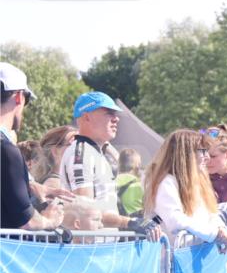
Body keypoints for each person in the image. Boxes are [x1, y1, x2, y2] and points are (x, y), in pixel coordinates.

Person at [0, 62, 65, 231]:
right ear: (19, 97)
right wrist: (50, 220)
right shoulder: (6, 150)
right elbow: (27, 221)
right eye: (26, 101)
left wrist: (29, 183)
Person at [143, 129, 227, 251]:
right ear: (185, 154)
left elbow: (210, 214)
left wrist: (222, 229)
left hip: (192, 258)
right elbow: (175, 220)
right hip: (170, 262)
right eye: (202, 151)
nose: (207, 157)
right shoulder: (166, 182)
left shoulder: (197, 183)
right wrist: (213, 234)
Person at [59, 91, 134, 230]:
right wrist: (129, 222)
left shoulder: (94, 151)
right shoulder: (81, 154)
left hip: (101, 245)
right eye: (109, 113)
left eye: (115, 114)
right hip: (90, 247)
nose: (116, 119)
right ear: (87, 117)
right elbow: (85, 213)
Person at [116, 148, 144, 217]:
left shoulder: (112, 181)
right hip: (136, 223)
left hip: (118, 223)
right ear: (137, 165)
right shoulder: (140, 184)